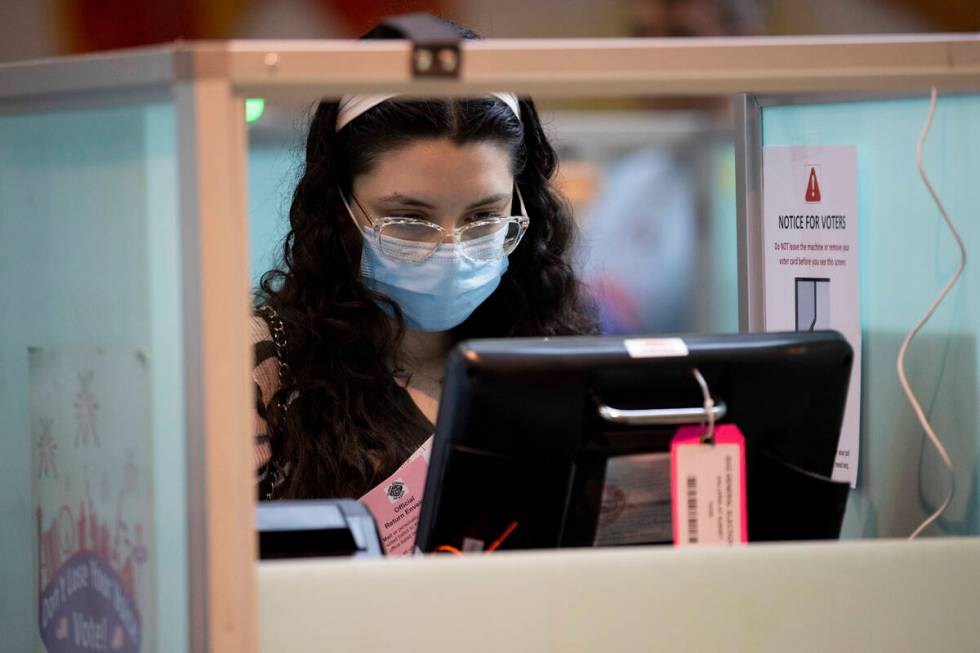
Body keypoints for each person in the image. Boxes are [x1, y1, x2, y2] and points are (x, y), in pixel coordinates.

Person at [251, 20, 597, 501]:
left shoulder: (556, 352)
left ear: (522, 206)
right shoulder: (266, 366)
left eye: (483, 216)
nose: (451, 249)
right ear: (338, 208)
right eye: (409, 219)